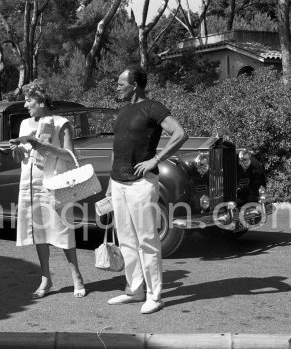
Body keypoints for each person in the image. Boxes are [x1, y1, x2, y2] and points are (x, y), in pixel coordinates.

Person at [106, 66, 188, 314]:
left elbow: (179, 133)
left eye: (121, 83)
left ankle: (155, 295)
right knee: (127, 240)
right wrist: (110, 185)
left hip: (141, 184)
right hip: (119, 183)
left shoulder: (152, 107)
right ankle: (135, 290)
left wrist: (156, 160)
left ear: (135, 85)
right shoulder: (122, 112)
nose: (117, 87)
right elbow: (117, 150)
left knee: (147, 241)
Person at [9, 80, 86, 299]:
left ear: (41, 101)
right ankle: (46, 279)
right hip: (29, 186)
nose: (26, 105)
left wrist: (42, 146)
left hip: (53, 184)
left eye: (29, 100)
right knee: (39, 233)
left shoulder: (61, 123)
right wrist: (16, 149)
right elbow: (22, 159)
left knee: (62, 230)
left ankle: (77, 276)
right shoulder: (25, 125)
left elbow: (70, 157)